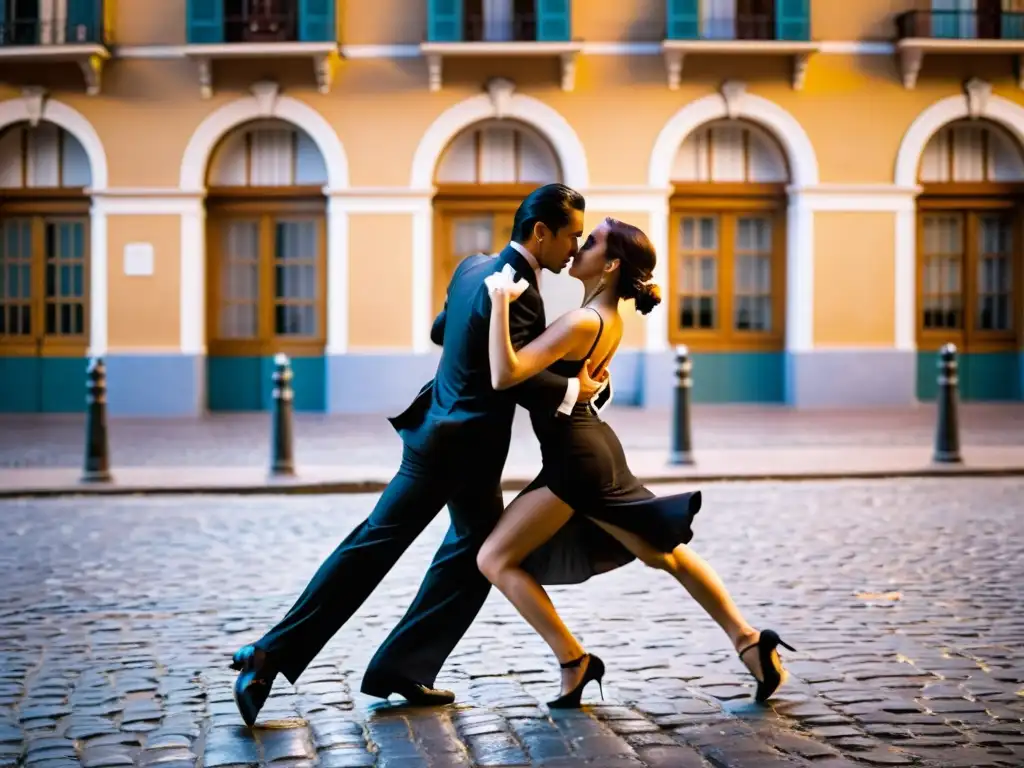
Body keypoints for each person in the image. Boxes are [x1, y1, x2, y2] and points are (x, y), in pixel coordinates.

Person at [229, 183, 606, 726]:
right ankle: (269, 658)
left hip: (437, 430)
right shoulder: (519, 287)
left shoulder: (473, 266)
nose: (575, 248)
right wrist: (576, 389)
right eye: (571, 236)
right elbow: (515, 379)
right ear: (541, 232)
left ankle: (397, 669)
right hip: (463, 448)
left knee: (457, 554)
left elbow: (441, 330)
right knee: (403, 551)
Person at [476, 217, 794, 708]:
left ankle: (574, 661)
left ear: (611, 264)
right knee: (659, 550)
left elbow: (505, 372)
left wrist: (498, 300)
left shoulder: (584, 320)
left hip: (577, 462)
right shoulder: (606, 318)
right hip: (591, 451)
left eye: (594, 241)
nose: (581, 245)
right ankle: (748, 641)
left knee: (493, 558)